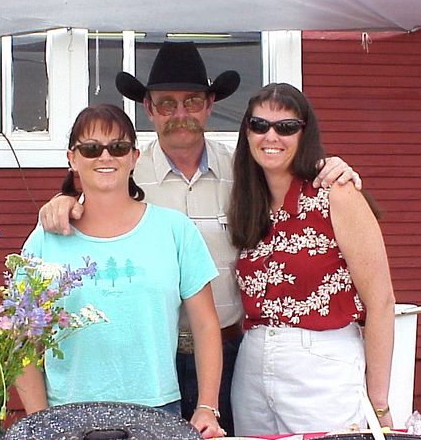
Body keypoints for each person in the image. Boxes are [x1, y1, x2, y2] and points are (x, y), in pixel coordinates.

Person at [39, 41, 361, 436]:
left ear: (209, 104)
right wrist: (62, 200)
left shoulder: (245, 171)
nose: (180, 114)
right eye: (166, 103)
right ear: (149, 109)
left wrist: (331, 166)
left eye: (191, 102)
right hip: (155, 362)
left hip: (227, 351)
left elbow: (289, 172)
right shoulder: (125, 171)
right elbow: (89, 195)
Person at [14, 104, 226, 438]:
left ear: (133, 157)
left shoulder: (174, 229)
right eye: (91, 148)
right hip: (66, 414)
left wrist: (207, 406)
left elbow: (204, 324)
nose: (105, 156)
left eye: (118, 147)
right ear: (72, 158)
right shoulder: (45, 240)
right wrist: (40, 422)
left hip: (156, 411)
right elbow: (21, 337)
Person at [228, 83, 396, 436]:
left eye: (286, 127)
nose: (271, 136)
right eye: (259, 125)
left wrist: (379, 402)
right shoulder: (248, 201)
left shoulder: (335, 192)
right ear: (247, 132)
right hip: (253, 360)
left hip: (321, 361)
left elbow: (380, 301)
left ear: (305, 132)